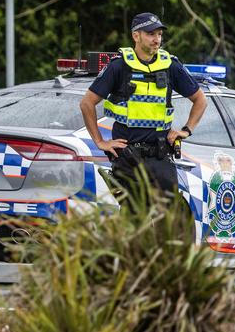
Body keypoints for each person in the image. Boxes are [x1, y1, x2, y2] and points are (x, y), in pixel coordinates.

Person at [80, 12, 207, 195]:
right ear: (136, 36)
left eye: (159, 34)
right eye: (151, 34)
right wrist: (100, 141)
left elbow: (201, 100)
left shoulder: (171, 66)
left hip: (161, 158)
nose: (157, 40)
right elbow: (87, 103)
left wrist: (186, 130)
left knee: (167, 219)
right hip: (127, 158)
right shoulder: (119, 66)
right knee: (133, 219)